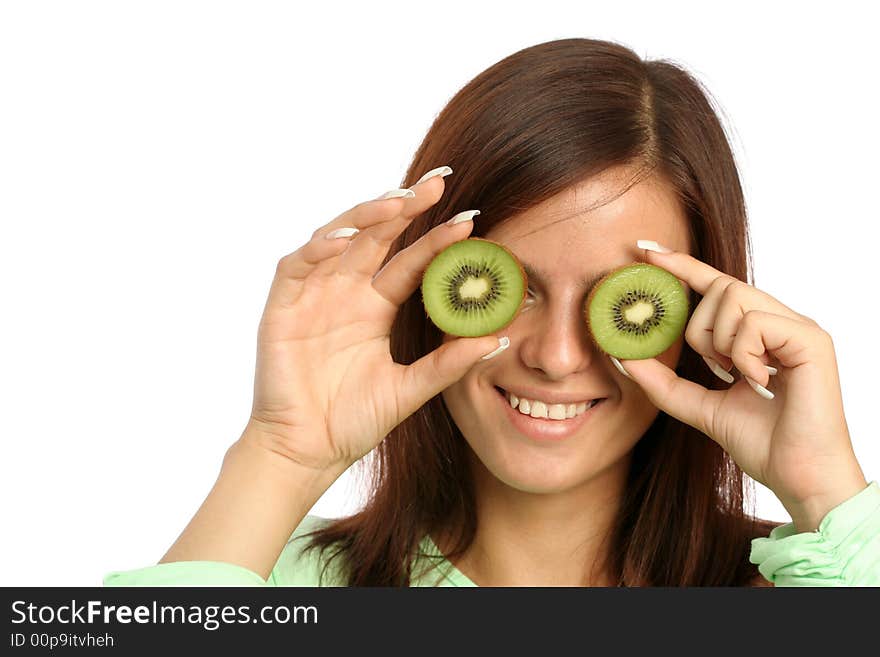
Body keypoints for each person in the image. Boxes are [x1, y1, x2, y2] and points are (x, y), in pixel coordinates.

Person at [104, 38, 879, 587]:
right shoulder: (266, 583)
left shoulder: (803, 592)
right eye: (518, 287)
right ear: (433, 289)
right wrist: (279, 457)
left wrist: (825, 491)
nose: (558, 356)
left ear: (700, 314)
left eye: (620, 302)